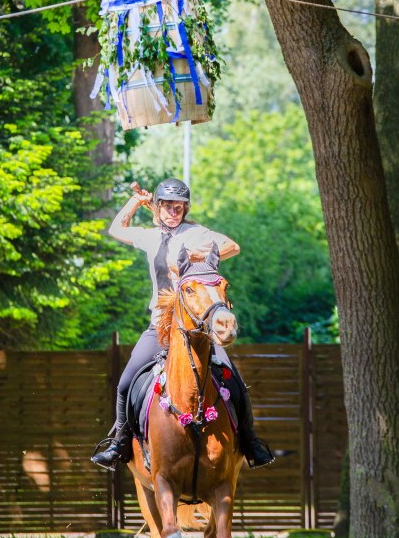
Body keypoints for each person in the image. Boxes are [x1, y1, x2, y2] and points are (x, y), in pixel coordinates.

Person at [90, 177, 275, 470]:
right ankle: (120, 443)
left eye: (180, 207)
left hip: (197, 329)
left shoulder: (196, 233)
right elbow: (116, 229)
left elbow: (232, 246)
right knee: (125, 383)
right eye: (168, 206)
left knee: (234, 379)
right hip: (159, 327)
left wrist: (197, 259)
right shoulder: (150, 237)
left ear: (185, 209)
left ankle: (251, 443)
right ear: (159, 207)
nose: (174, 212)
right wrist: (135, 202)